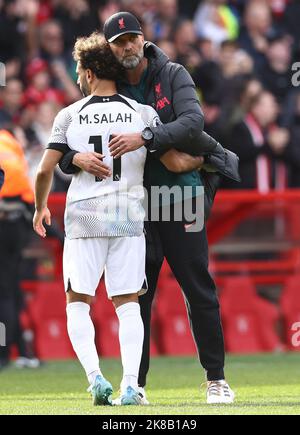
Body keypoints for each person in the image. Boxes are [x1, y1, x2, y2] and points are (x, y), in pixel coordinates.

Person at [59, 12, 236, 405]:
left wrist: (147, 136)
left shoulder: (172, 73)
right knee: (138, 294)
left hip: (178, 198)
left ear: (143, 39)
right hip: (135, 204)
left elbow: (193, 121)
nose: (127, 46)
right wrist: (72, 158)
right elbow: (74, 132)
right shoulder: (110, 82)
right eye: (119, 41)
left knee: (198, 288)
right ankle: (134, 384)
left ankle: (216, 378)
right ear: (109, 49)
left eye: (132, 38)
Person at [33, 32, 203, 406]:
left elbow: (45, 170)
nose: (78, 78)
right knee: (128, 305)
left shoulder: (69, 115)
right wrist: (206, 161)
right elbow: (174, 161)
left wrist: (40, 206)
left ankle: (96, 379)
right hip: (128, 216)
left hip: (85, 217)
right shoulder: (142, 113)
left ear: (90, 73)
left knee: (77, 302)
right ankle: (130, 386)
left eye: (79, 71)